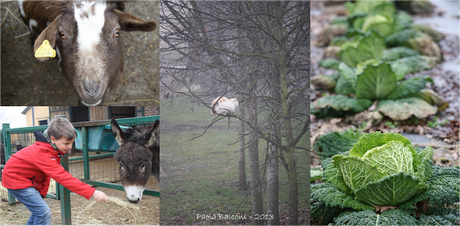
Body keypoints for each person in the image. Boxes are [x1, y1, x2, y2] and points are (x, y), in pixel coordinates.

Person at [2, 117, 108, 225]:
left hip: (25, 179)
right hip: (15, 179)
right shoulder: (43, 153)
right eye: (66, 143)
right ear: (53, 139)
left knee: (39, 212)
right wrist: (92, 192)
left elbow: (46, 175)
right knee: (43, 212)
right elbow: (62, 177)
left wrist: (41, 195)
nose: (70, 147)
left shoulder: (51, 149)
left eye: (72, 143)